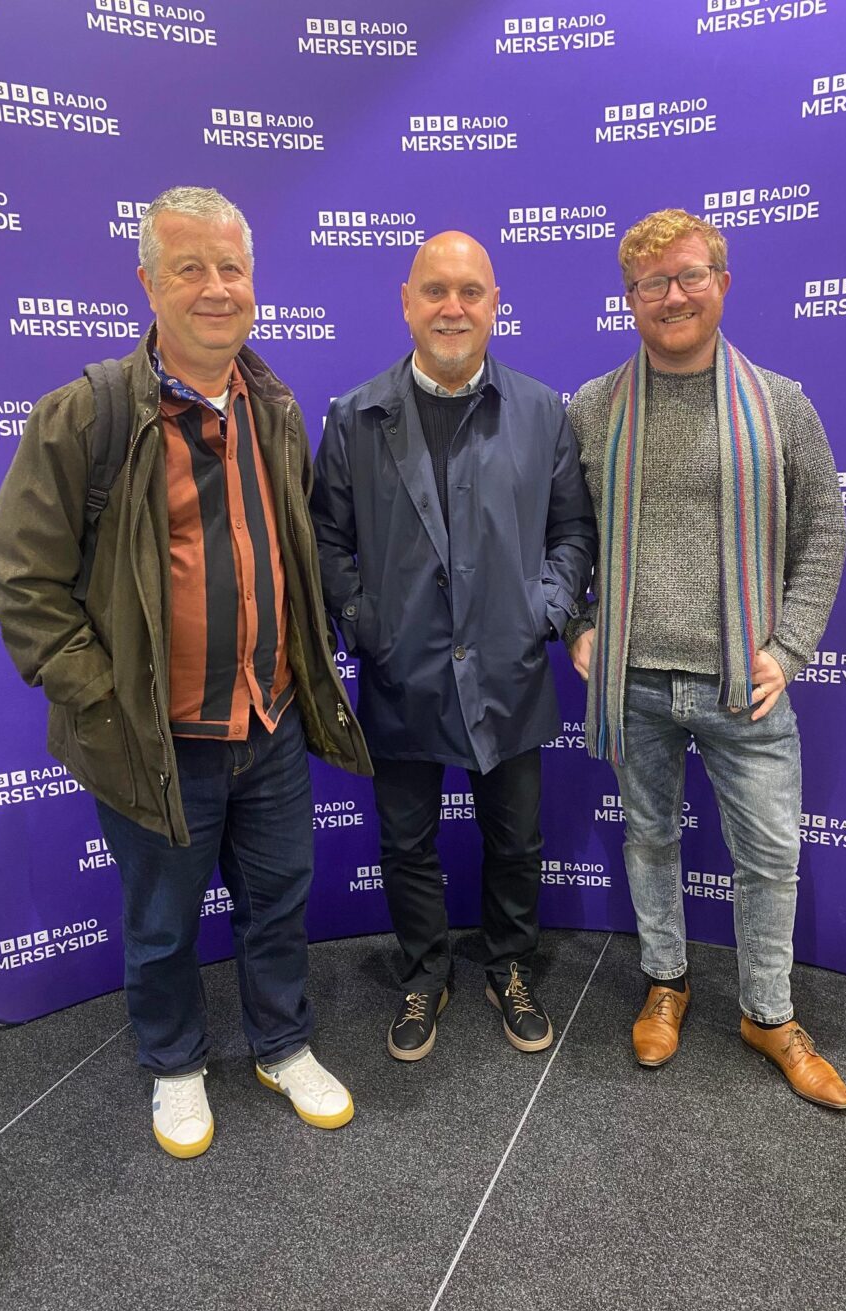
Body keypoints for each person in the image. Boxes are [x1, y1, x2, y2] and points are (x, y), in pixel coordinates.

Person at [0, 186, 372, 1157]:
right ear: (148, 282)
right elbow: (18, 576)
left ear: (253, 283)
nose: (214, 287)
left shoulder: (274, 406)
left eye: (230, 268)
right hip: (155, 737)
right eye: (189, 267)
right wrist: (99, 696)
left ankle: (283, 1043)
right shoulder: (87, 416)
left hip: (268, 720)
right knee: (160, 921)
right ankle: (175, 1063)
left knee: (279, 899)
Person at [565, 208, 846, 1109]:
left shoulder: (779, 403)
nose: (673, 295)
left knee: (769, 854)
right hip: (633, 683)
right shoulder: (592, 408)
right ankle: (667, 981)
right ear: (630, 301)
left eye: (690, 276)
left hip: (746, 687)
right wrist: (576, 619)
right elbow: (563, 535)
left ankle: (769, 1012)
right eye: (652, 283)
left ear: (722, 283)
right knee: (649, 840)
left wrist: (792, 643)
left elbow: (825, 531)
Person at [311, 232, 596, 1061]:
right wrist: (368, 622)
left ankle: (509, 965)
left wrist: (542, 609)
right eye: (435, 290)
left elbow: (572, 529)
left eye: (471, 292)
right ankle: (423, 970)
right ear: (406, 301)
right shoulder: (356, 415)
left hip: (508, 670)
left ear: (495, 304)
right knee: (406, 842)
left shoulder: (542, 411)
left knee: (517, 838)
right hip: (404, 672)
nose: (452, 307)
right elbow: (326, 539)